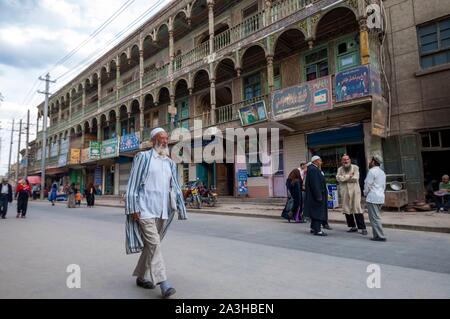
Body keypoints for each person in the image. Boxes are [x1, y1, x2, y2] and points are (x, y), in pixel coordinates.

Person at [125, 127, 187, 298]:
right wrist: (133, 208)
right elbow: (133, 183)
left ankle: (140, 276)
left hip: (162, 210)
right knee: (155, 244)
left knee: (151, 245)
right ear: (153, 141)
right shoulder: (143, 158)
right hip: (144, 209)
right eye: (161, 138)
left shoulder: (170, 163)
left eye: (166, 138)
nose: (165, 141)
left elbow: (175, 186)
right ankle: (163, 282)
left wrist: (180, 208)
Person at [336, 155, 367, 235]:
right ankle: (353, 227)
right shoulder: (340, 169)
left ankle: (363, 228)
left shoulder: (355, 167)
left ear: (350, 160)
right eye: (344, 160)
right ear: (342, 161)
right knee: (347, 209)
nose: (345, 161)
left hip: (354, 191)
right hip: (345, 192)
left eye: (347, 159)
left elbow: (355, 178)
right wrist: (349, 176)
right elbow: (338, 178)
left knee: (357, 208)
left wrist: (344, 178)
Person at [304, 156, 329, 236]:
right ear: (316, 161)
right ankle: (318, 230)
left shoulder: (312, 169)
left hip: (315, 195)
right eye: (320, 161)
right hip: (317, 195)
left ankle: (313, 228)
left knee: (315, 212)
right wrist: (318, 195)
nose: (321, 162)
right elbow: (315, 184)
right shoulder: (313, 169)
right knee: (318, 212)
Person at [364, 155, 387, 242]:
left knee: (375, 218)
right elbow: (383, 186)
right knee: (374, 217)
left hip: (373, 197)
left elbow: (367, 185)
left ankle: (381, 236)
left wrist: (365, 194)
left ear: (373, 162)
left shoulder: (371, 171)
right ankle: (376, 235)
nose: (370, 162)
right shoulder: (382, 172)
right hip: (380, 197)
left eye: (371, 161)